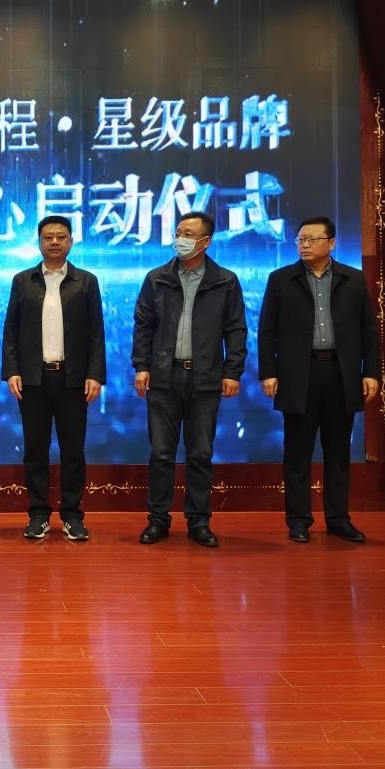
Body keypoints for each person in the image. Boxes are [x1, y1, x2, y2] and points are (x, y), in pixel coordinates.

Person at [258, 216, 381, 543]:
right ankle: (298, 521)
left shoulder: (353, 279)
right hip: (299, 374)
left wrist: (371, 372)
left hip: (340, 373)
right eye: (301, 240)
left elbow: (368, 331)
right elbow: (267, 331)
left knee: (338, 452)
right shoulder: (281, 280)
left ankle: (339, 519)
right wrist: (269, 372)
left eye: (312, 239)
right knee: (297, 452)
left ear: (331, 243)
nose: (305, 245)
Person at [132, 211, 247, 548]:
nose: (180, 239)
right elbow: (143, 325)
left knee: (200, 453)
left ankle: (199, 521)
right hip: (163, 377)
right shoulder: (157, 278)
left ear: (206, 242)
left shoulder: (225, 281)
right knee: (161, 453)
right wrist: (142, 365)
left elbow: (236, 329)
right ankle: (158, 519)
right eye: (178, 232)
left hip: (205, 378)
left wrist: (232, 371)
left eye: (189, 234)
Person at [1, 215, 106, 541]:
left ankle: (73, 515)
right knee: (35, 450)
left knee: (73, 450)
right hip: (33, 379)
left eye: (61, 236)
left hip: (73, 379)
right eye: (48, 237)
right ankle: (38, 514)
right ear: (39, 242)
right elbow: (11, 330)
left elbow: (96, 333)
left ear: (71, 241)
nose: (55, 242)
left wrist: (95, 374)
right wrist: (12, 370)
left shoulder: (85, 281)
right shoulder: (23, 281)